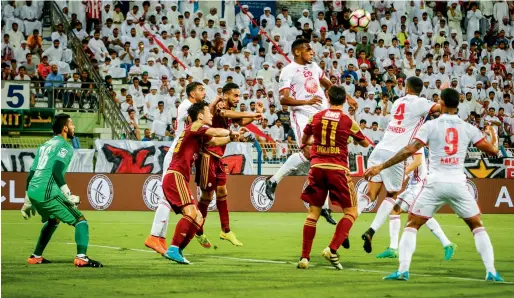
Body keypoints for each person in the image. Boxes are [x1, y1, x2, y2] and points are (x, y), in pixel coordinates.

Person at [364, 88, 503, 282]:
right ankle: (491, 272)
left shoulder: (430, 126)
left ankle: (403, 271)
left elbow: (408, 151)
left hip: (434, 183)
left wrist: (381, 166)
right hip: (457, 183)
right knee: (477, 225)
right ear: (458, 105)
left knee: (412, 224)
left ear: (442, 103)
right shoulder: (467, 128)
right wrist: (492, 134)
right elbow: (493, 151)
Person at [264, 38, 357, 225]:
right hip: (302, 115)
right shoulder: (288, 71)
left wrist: (348, 97)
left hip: (323, 114)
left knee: (322, 157)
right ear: (297, 52)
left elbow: (328, 84)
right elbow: (284, 100)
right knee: (309, 152)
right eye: (308, 49)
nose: (312, 52)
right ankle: (275, 180)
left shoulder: (314, 67)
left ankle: (321, 205)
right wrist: (306, 102)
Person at [358, 76, 441, 253]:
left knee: (370, 194)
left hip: (380, 148)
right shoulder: (420, 104)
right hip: (396, 152)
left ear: (407, 88)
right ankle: (371, 231)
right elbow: (439, 108)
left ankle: (348, 223)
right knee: (393, 194)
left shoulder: (397, 102)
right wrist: (444, 96)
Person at [297, 86, 370, 270]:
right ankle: (332, 248)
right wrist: (351, 132)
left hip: (317, 168)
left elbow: (304, 139)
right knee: (351, 212)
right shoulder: (347, 120)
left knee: (313, 214)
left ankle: (304, 258)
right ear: (345, 100)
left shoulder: (316, 117)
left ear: (327, 98)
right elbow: (364, 143)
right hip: (338, 169)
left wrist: (314, 142)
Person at [161, 101, 240, 264]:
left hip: (178, 177)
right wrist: (230, 131)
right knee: (191, 213)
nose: (211, 114)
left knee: (197, 217)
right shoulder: (195, 127)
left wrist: (231, 138)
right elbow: (216, 131)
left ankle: (179, 250)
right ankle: (173, 249)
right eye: (208, 112)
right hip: (175, 176)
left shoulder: (197, 133)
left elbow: (215, 142)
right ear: (200, 116)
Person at [21, 113, 102, 268]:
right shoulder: (65, 146)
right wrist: (69, 195)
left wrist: (27, 200)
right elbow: (57, 172)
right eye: (71, 124)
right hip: (47, 191)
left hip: (33, 190)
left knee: (53, 219)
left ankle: (36, 256)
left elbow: (31, 174)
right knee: (80, 220)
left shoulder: (44, 146)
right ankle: (82, 258)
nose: (74, 127)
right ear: (65, 128)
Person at [194, 83, 263, 248]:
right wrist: (252, 113)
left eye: (239, 96)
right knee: (207, 196)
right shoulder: (218, 106)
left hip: (218, 157)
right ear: (225, 95)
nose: (237, 99)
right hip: (207, 155)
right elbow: (227, 114)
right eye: (235, 95)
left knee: (222, 191)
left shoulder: (230, 111)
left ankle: (225, 230)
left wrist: (256, 115)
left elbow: (241, 120)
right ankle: (197, 230)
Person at [145, 82, 207, 255]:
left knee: (168, 200)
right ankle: (154, 236)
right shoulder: (188, 106)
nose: (204, 93)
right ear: (192, 94)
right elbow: (196, 123)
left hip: (181, 156)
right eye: (201, 90)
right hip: (176, 155)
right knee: (165, 199)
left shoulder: (192, 107)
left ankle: (160, 238)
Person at [363, 145, 457, 260]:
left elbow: (417, 162)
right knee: (396, 211)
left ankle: (447, 244)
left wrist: (403, 173)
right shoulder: (405, 144)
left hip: (420, 186)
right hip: (413, 186)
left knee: (421, 216)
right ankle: (393, 249)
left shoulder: (416, 144)